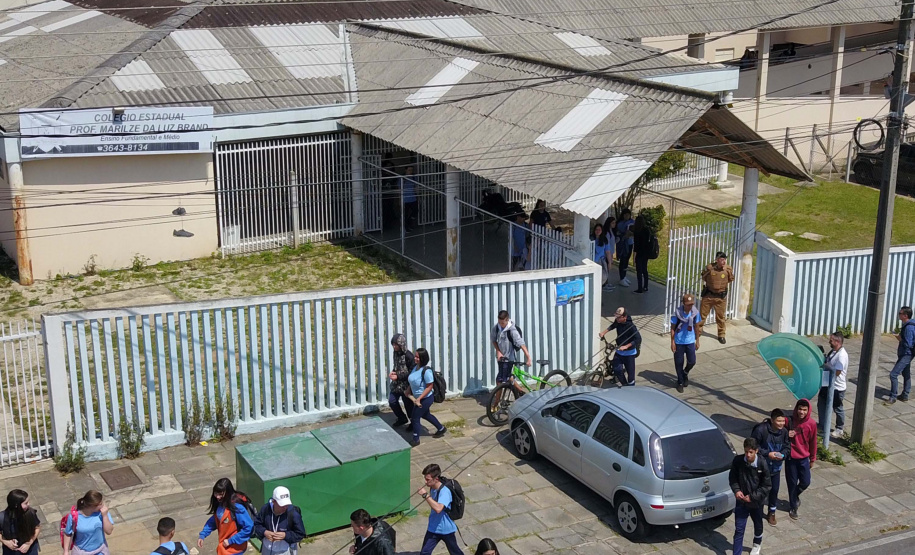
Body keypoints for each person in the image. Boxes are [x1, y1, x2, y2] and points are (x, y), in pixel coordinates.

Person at [729, 437, 771, 555]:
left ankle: (757, 544)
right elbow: (733, 478)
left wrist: (752, 497)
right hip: (741, 502)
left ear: (756, 451)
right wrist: (737, 491)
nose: (748, 455)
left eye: (751, 452)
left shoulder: (762, 463)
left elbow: (766, 486)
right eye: (746, 451)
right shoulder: (738, 461)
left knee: (758, 524)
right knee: (739, 529)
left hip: (756, 502)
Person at [751, 408, 790, 526]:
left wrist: (783, 455)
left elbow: (787, 447)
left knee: (774, 490)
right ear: (772, 420)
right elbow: (753, 447)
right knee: (761, 490)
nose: (781, 424)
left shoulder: (784, 432)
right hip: (762, 468)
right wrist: (768, 454)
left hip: (776, 468)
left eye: (783, 421)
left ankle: (771, 512)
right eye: (779, 421)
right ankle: (757, 511)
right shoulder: (761, 430)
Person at [198, 478, 253, 555]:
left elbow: (249, 527)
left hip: (234, 549)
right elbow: (215, 520)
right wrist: (203, 534)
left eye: (220, 494)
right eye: (216, 493)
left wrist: (231, 541)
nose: (217, 497)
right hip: (225, 548)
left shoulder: (237, 507)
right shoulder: (221, 504)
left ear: (227, 493)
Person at [416, 464, 462, 555]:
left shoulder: (445, 491)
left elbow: (438, 508)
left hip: (446, 529)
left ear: (436, 479)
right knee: (425, 552)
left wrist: (425, 495)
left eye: (428, 479)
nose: (425, 482)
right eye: (425, 479)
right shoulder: (432, 488)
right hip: (433, 527)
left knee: (455, 552)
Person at [406, 348, 447, 446]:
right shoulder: (415, 367)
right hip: (418, 398)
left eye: (417, 357)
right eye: (415, 356)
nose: (415, 358)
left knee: (415, 417)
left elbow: (429, 387)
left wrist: (419, 399)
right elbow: (412, 380)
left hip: (426, 399)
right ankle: (441, 428)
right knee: (426, 415)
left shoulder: (426, 371)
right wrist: (408, 390)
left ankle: (416, 439)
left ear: (423, 358)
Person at [785, 399, 817, 521]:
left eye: (804, 410)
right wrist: (786, 433)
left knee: (805, 481)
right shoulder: (789, 421)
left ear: (808, 411)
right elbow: (777, 426)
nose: (801, 412)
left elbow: (813, 442)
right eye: (800, 409)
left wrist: (812, 458)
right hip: (791, 458)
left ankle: (794, 495)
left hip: (804, 458)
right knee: (792, 483)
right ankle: (793, 506)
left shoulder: (811, 424)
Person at [253, 487, 306, 555]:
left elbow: (300, 534)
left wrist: (285, 535)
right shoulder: (265, 509)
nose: (285, 507)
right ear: (274, 501)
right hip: (267, 549)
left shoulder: (293, 513)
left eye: (286, 504)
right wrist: (264, 532)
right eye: (282, 505)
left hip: (286, 550)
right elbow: (256, 525)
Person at [698, 251, 735, 344]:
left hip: (720, 297)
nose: (723, 262)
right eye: (721, 260)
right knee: (702, 315)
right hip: (709, 295)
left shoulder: (728, 269)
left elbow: (730, 279)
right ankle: (698, 331)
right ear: (717, 260)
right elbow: (703, 277)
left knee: (721, 317)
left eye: (724, 259)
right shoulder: (710, 268)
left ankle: (721, 335)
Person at [599, 307, 641, 386]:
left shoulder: (631, 326)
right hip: (619, 351)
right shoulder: (618, 321)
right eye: (616, 317)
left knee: (631, 377)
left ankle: (631, 389)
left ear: (624, 317)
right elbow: (613, 326)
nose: (616, 319)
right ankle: (624, 385)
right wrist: (603, 332)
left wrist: (626, 346)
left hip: (629, 354)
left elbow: (638, 339)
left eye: (618, 317)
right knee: (617, 369)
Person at [491, 310, 533, 388]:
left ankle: (497, 397)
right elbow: (493, 340)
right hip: (500, 358)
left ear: (507, 320)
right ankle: (521, 392)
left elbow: (521, 343)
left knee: (499, 380)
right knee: (508, 377)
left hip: (509, 358)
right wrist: (498, 351)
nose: (501, 325)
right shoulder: (496, 327)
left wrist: (528, 357)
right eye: (499, 322)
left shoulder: (512, 330)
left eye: (502, 323)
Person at [63, 490, 114, 555]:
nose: (103, 505)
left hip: (100, 551)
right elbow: (67, 533)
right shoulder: (74, 516)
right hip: (82, 551)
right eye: (100, 504)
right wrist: (66, 551)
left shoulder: (102, 513)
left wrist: (104, 516)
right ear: (92, 506)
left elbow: (109, 531)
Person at [818, 332, 849, 437]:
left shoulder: (842, 355)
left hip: (836, 387)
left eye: (831, 340)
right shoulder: (834, 351)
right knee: (821, 404)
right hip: (827, 384)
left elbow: (837, 371)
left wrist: (826, 366)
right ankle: (822, 425)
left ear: (837, 342)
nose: (829, 342)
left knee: (837, 408)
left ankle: (839, 428)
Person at [670, 293, 701, 393]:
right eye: (688, 304)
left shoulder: (695, 313)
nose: (690, 306)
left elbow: (697, 327)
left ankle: (685, 372)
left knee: (692, 361)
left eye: (691, 304)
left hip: (690, 340)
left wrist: (697, 340)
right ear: (683, 304)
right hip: (679, 341)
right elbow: (673, 328)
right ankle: (680, 381)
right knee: (679, 362)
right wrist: (672, 342)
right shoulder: (677, 313)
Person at [887, 305, 914, 404]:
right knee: (906, 373)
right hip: (906, 354)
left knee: (893, 374)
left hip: (906, 354)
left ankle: (893, 396)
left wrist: (899, 338)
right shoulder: (909, 325)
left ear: (905, 315)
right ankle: (905, 395)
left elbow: (908, 344)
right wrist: (898, 336)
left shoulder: (909, 328)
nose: (898, 315)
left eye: (900, 313)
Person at [0, 490, 40, 555]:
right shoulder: (2, 517)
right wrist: (5, 542)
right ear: (16, 505)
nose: (28, 504)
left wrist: (29, 543)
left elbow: (37, 528)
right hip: (10, 552)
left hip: (30, 549)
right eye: (26, 503)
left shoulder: (30, 513)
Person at [388, 334, 415, 428]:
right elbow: (397, 365)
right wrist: (393, 372)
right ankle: (402, 418)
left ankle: (413, 422)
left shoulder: (409, 356)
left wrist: (398, 376)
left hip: (406, 385)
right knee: (392, 401)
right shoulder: (395, 353)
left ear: (401, 344)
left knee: (408, 404)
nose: (394, 347)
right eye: (393, 344)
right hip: (396, 384)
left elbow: (412, 372)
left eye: (396, 344)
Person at [631, 216, 651, 293]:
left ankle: (640, 288)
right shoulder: (646, 230)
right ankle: (645, 286)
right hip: (646, 253)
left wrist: (634, 255)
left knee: (639, 271)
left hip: (639, 253)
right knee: (645, 269)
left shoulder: (637, 231)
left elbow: (636, 245)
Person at [592, 223, 615, 291]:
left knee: (603, 276)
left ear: (602, 231)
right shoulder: (591, 238)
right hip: (592, 260)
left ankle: (600, 288)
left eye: (599, 230)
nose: (598, 231)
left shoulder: (604, 240)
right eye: (596, 229)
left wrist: (609, 262)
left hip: (601, 261)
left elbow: (608, 252)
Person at [616, 209, 635, 287]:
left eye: (628, 215)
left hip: (630, 243)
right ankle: (621, 277)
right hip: (623, 244)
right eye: (625, 215)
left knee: (627, 259)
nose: (627, 216)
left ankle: (624, 276)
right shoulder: (620, 223)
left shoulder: (632, 222)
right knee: (623, 260)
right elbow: (620, 232)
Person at [400, 166, 418, 232]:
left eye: (411, 170)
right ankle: (406, 227)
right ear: (405, 170)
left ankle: (410, 221)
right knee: (405, 214)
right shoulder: (402, 178)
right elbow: (399, 188)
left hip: (413, 198)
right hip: (405, 199)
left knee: (415, 211)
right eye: (409, 170)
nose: (411, 171)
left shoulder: (413, 177)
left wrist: (418, 195)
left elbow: (416, 187)